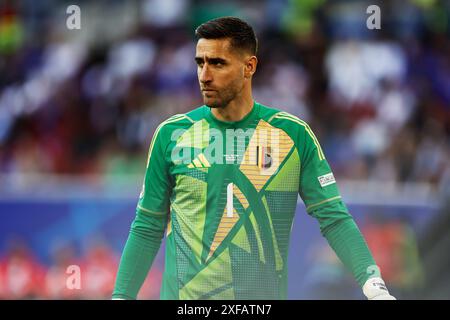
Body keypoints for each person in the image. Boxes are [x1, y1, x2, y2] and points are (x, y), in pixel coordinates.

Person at [112, 16, 395, 300]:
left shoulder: (292, 136)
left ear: (249, 67)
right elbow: (148, 226)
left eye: (218, 63)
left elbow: (333, 217)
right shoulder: (172, 135)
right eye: (200, 63)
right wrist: (121, 296)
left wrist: (373, 285)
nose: (204, 75)